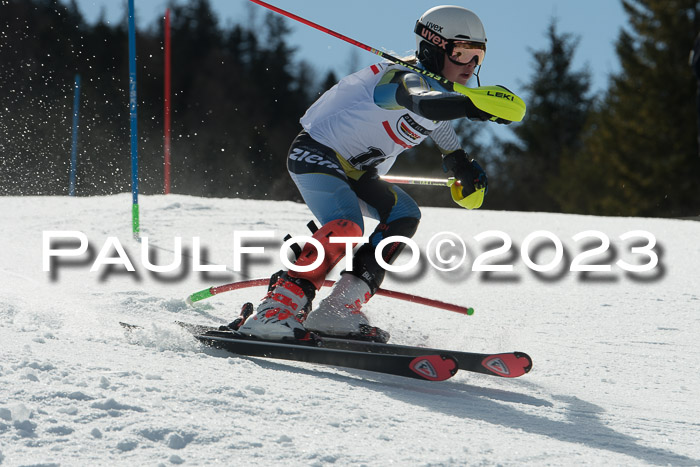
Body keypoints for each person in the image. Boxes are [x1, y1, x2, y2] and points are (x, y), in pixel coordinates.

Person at [237, 5, 511, 341]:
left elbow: (439, 126)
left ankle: (339, 310)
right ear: (432, 47)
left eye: (477, 55)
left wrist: (460, 162)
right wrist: (472, 106)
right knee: (347, 225)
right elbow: (421, 102)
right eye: (461, 52)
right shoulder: (398, 77)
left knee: (404, 215)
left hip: (357, 170)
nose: (470, 64)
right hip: (317, 152)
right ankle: (275, 311)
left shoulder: (443, 94)